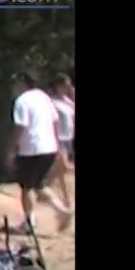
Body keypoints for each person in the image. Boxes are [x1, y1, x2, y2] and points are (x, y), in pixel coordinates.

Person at [5, 71, 73, 234]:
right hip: (49, 147)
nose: (14, 87)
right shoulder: (43, 97)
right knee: (38, 185)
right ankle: (61, 211)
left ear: (23, 83)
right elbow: (55, 121)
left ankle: (30, 222)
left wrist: (11, 150)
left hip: (31, 149)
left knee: (26, 187)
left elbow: (20, 126)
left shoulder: (22, 101)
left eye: (15, 84)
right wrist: (57, 144)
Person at [47, 75, 76, 209]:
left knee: (60, 171)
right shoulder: (52, 102)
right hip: (57, 138)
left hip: (68, 138)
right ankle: (67, 199)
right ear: (58, 86)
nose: (68, 88)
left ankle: (44, 188)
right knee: (64, 167)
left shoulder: (69, 102)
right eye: (65, 85)